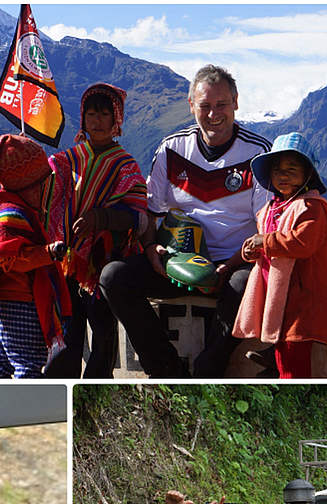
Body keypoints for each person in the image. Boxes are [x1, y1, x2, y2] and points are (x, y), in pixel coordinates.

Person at [99, 64, 271, 378]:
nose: (213, 114)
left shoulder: (259, 155)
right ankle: (164, 369)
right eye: (204, 106)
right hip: (180, 261)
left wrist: (229, 266)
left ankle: (210, 367)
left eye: (221, 105)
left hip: (235, 263)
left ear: (236, 102)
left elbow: (266, 230)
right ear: (191, 105)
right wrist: (151, 250)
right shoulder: (171, 149)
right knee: (114, 277)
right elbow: (151, 212)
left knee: (245, 285)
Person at [43, 83, 158, 378]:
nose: (97, 121)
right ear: (83, 118)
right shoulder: (67, 161)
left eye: (105, 114)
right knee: (68, 331)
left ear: (116, 119)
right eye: (91, 114)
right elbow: (48, 197)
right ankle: (60, 382)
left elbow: (137, 216)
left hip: (105, 259)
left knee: (102, 330)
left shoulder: (125, 166)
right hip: (67, 259)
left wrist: (101, 219)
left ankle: (96, 384)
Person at [0, 133, 71, 378]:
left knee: (0, 364)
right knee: (29, 365)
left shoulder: (10, 207)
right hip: (22, 301)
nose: (47, 190)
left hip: (12, 301)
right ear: (29, 187)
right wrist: (48, 252)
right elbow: (8, 258)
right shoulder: (10, 215)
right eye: (43, 185)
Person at [231, 133, 327, 378]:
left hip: (301, 299)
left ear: (307, 172)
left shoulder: (313, 208)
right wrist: (250, 250)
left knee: (293, 361)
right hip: (277, 297)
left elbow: (302, 244)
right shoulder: (270, 209)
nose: (283, 175)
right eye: (277, 169)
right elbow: (265, 244)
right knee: (283, 353)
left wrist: (264, 241)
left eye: (291, 168)